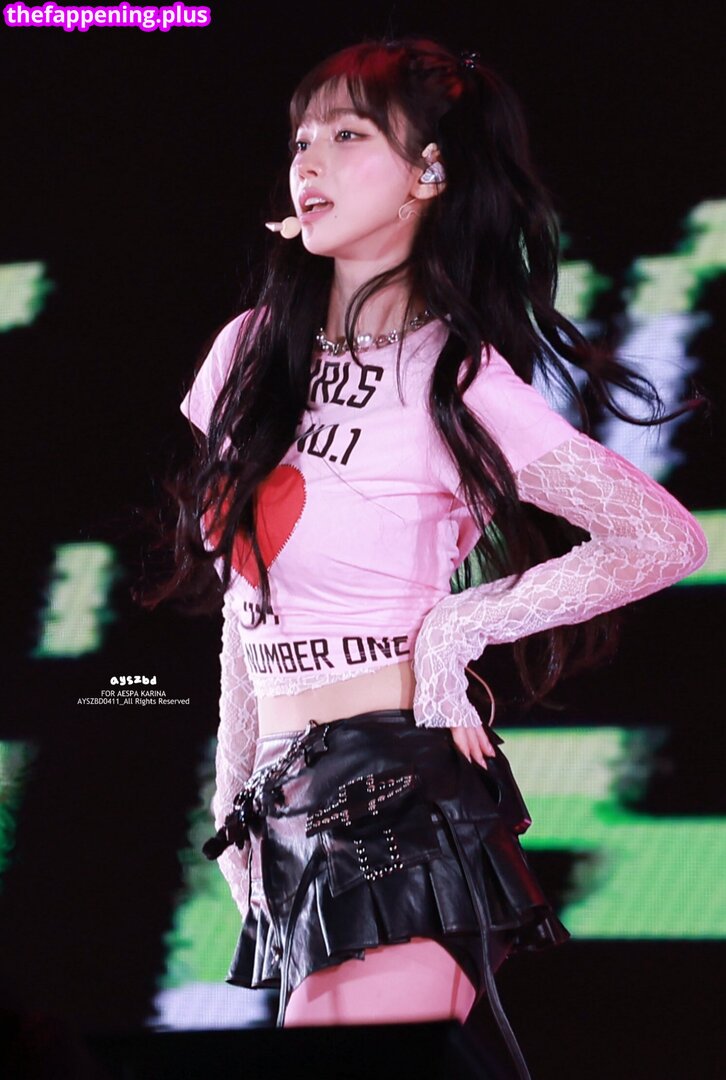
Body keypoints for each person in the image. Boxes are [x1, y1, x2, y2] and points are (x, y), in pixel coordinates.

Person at [163, 37, 706, 1078]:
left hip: (396, 793)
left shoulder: (456, 373)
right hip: (289, 806)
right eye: (301, 140)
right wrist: (231, 797)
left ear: (429, 173)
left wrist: (458, 628)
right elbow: (246, 604)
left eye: (348, 136)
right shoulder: (248, 351)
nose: (309, 162)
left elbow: (662, 536)